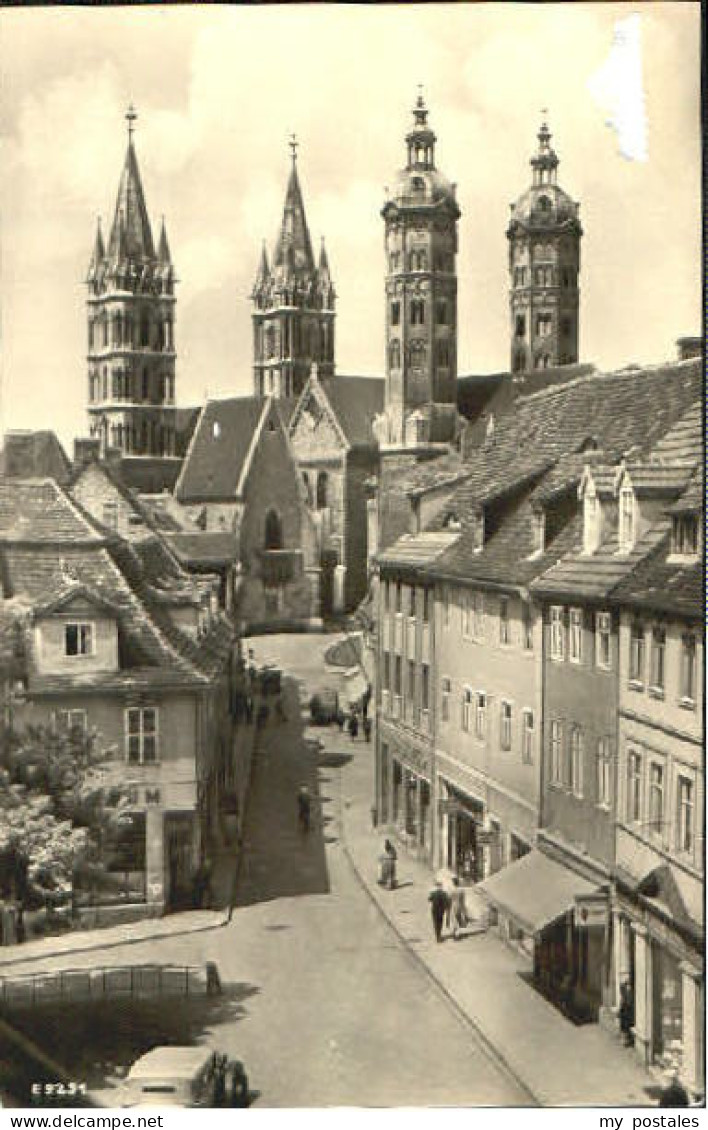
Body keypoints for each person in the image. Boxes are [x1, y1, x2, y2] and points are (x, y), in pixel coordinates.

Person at [619, 979, 634, 1047]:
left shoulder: (626, 994)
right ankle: (625, 1041)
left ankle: (626, 1041)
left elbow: (627, 1003)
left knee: (625, 1027)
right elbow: (626, 1004)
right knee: (625, 1027)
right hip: (625, 1012)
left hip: (626, 1011)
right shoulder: (625, 995)